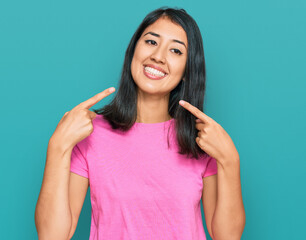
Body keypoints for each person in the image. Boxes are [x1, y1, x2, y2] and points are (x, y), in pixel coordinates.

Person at [35, 7, 245, 240]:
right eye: (151, 42)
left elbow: (226, 236)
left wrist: (230, 160)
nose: (158, 56)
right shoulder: (90, 134)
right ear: (133, 50)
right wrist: (57, 147)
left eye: (175, 50)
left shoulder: (201, 141)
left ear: (187, 71)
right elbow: (52, 235)